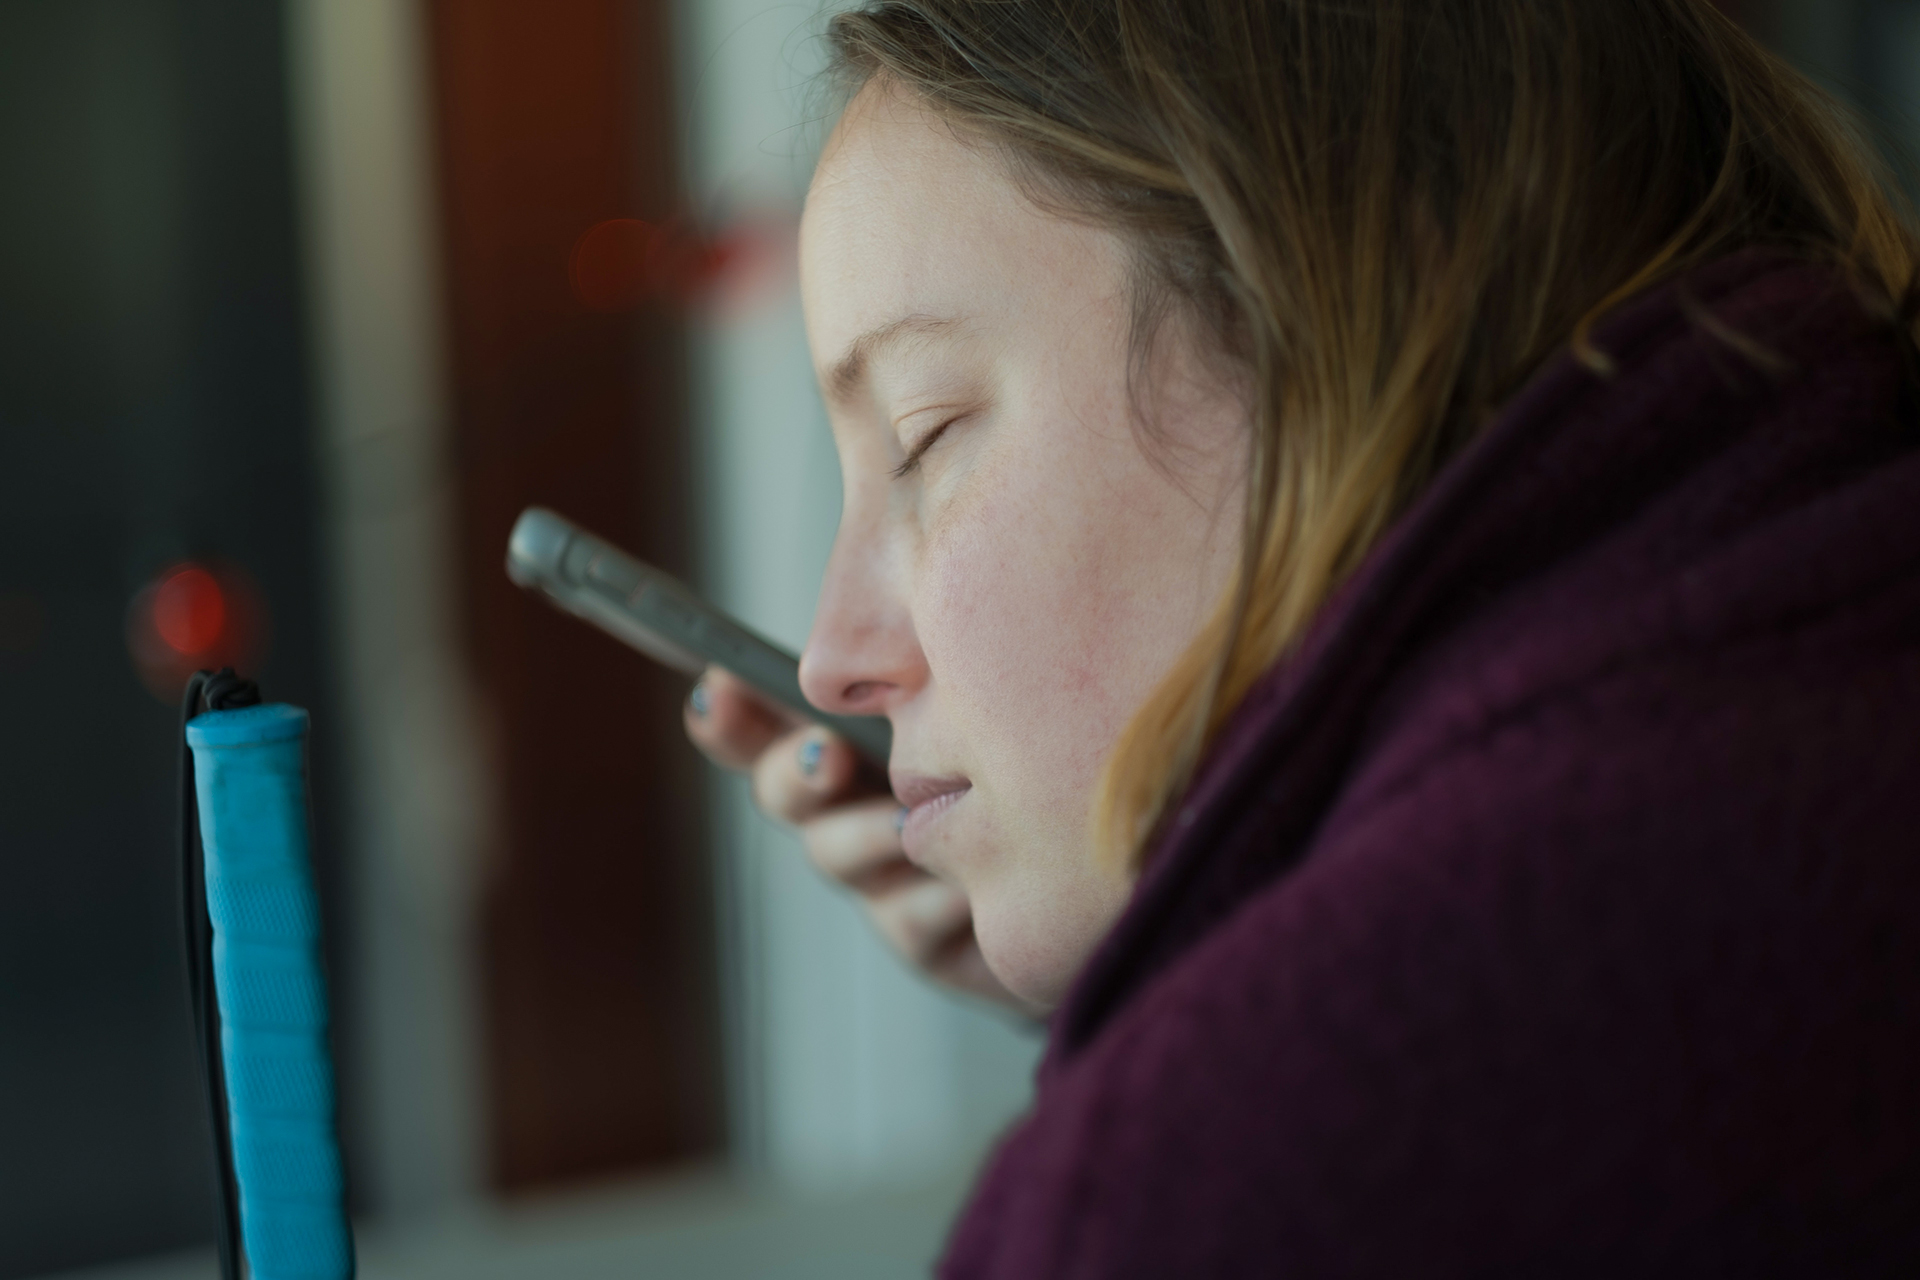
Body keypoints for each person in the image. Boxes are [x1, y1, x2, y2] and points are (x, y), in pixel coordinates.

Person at [686, 0, 1920, 1272]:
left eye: (925, 433)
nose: (835, 654)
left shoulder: (1190, 1189)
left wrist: (1196, 1074)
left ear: (1353, 315)